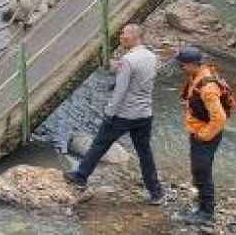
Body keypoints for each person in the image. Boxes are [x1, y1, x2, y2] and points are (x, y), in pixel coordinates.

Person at [63, 25, 163, 204]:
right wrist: (117, 66)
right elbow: (139, 78)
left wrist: (109, 112)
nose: (121, 36)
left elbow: (120, 91)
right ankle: (156, 192)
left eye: (124, 33)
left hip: (123, 114)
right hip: (144, 114)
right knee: (145, 153)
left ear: (133, 36)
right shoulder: (151, 57)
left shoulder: (129, 60)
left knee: (99, 144)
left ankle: (81, 176)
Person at [175, 46, 229, 225]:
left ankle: (206, 213)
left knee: (202, 171)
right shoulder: (198, 75)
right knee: (199, 170)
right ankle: (202, 205)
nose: (180, 69)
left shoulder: (207, 88)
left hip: (206, 135)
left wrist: (203, 136)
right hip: (200, 131)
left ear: (192, 64)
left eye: (182, 66)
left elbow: (220, 118)